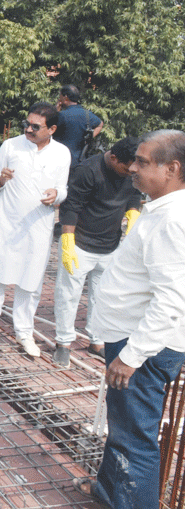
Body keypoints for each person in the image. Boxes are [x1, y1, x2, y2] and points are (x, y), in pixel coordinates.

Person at [73, 130, 185, 509]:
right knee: (122, 427)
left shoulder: (172, 221)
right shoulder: (162, 209)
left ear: (171, 169)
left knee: (135, 439)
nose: (132, 168)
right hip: (135, 338)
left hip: (143, 346)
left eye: (142, 162)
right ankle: (109, 491)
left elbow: (172, 300)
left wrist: (132, 356)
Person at [0, 102, 70, 357]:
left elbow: (63, 189)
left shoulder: (62, 153)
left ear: (52, 129)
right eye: (27, 124)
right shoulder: (11, 145)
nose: (28, 129)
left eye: (35, 127)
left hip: (38, 225)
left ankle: (24, 332)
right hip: (6, 220)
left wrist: (56, 194)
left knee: (30, 281)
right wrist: (1, 178)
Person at [52, 138, 142, 367]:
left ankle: (97, 340)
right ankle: (63, 342)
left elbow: (134, 194)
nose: (131, 172)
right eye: (127, 168)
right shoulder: (88, 170)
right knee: (68, 294)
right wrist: (68, 241)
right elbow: (71, 206)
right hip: (80, 243)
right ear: (114, 158)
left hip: (110, 244)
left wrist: (133, 212)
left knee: (102, 296)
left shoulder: (132, 171)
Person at [53, 84, 103, 166]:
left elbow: (49, 128)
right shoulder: (87, 114)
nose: (59, 98)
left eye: (60, 95)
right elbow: (100, 124)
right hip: (80, 161)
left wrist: (56, 111)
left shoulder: (61, 115)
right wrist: (90, 137)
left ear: (65, 97)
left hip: (60, 160)